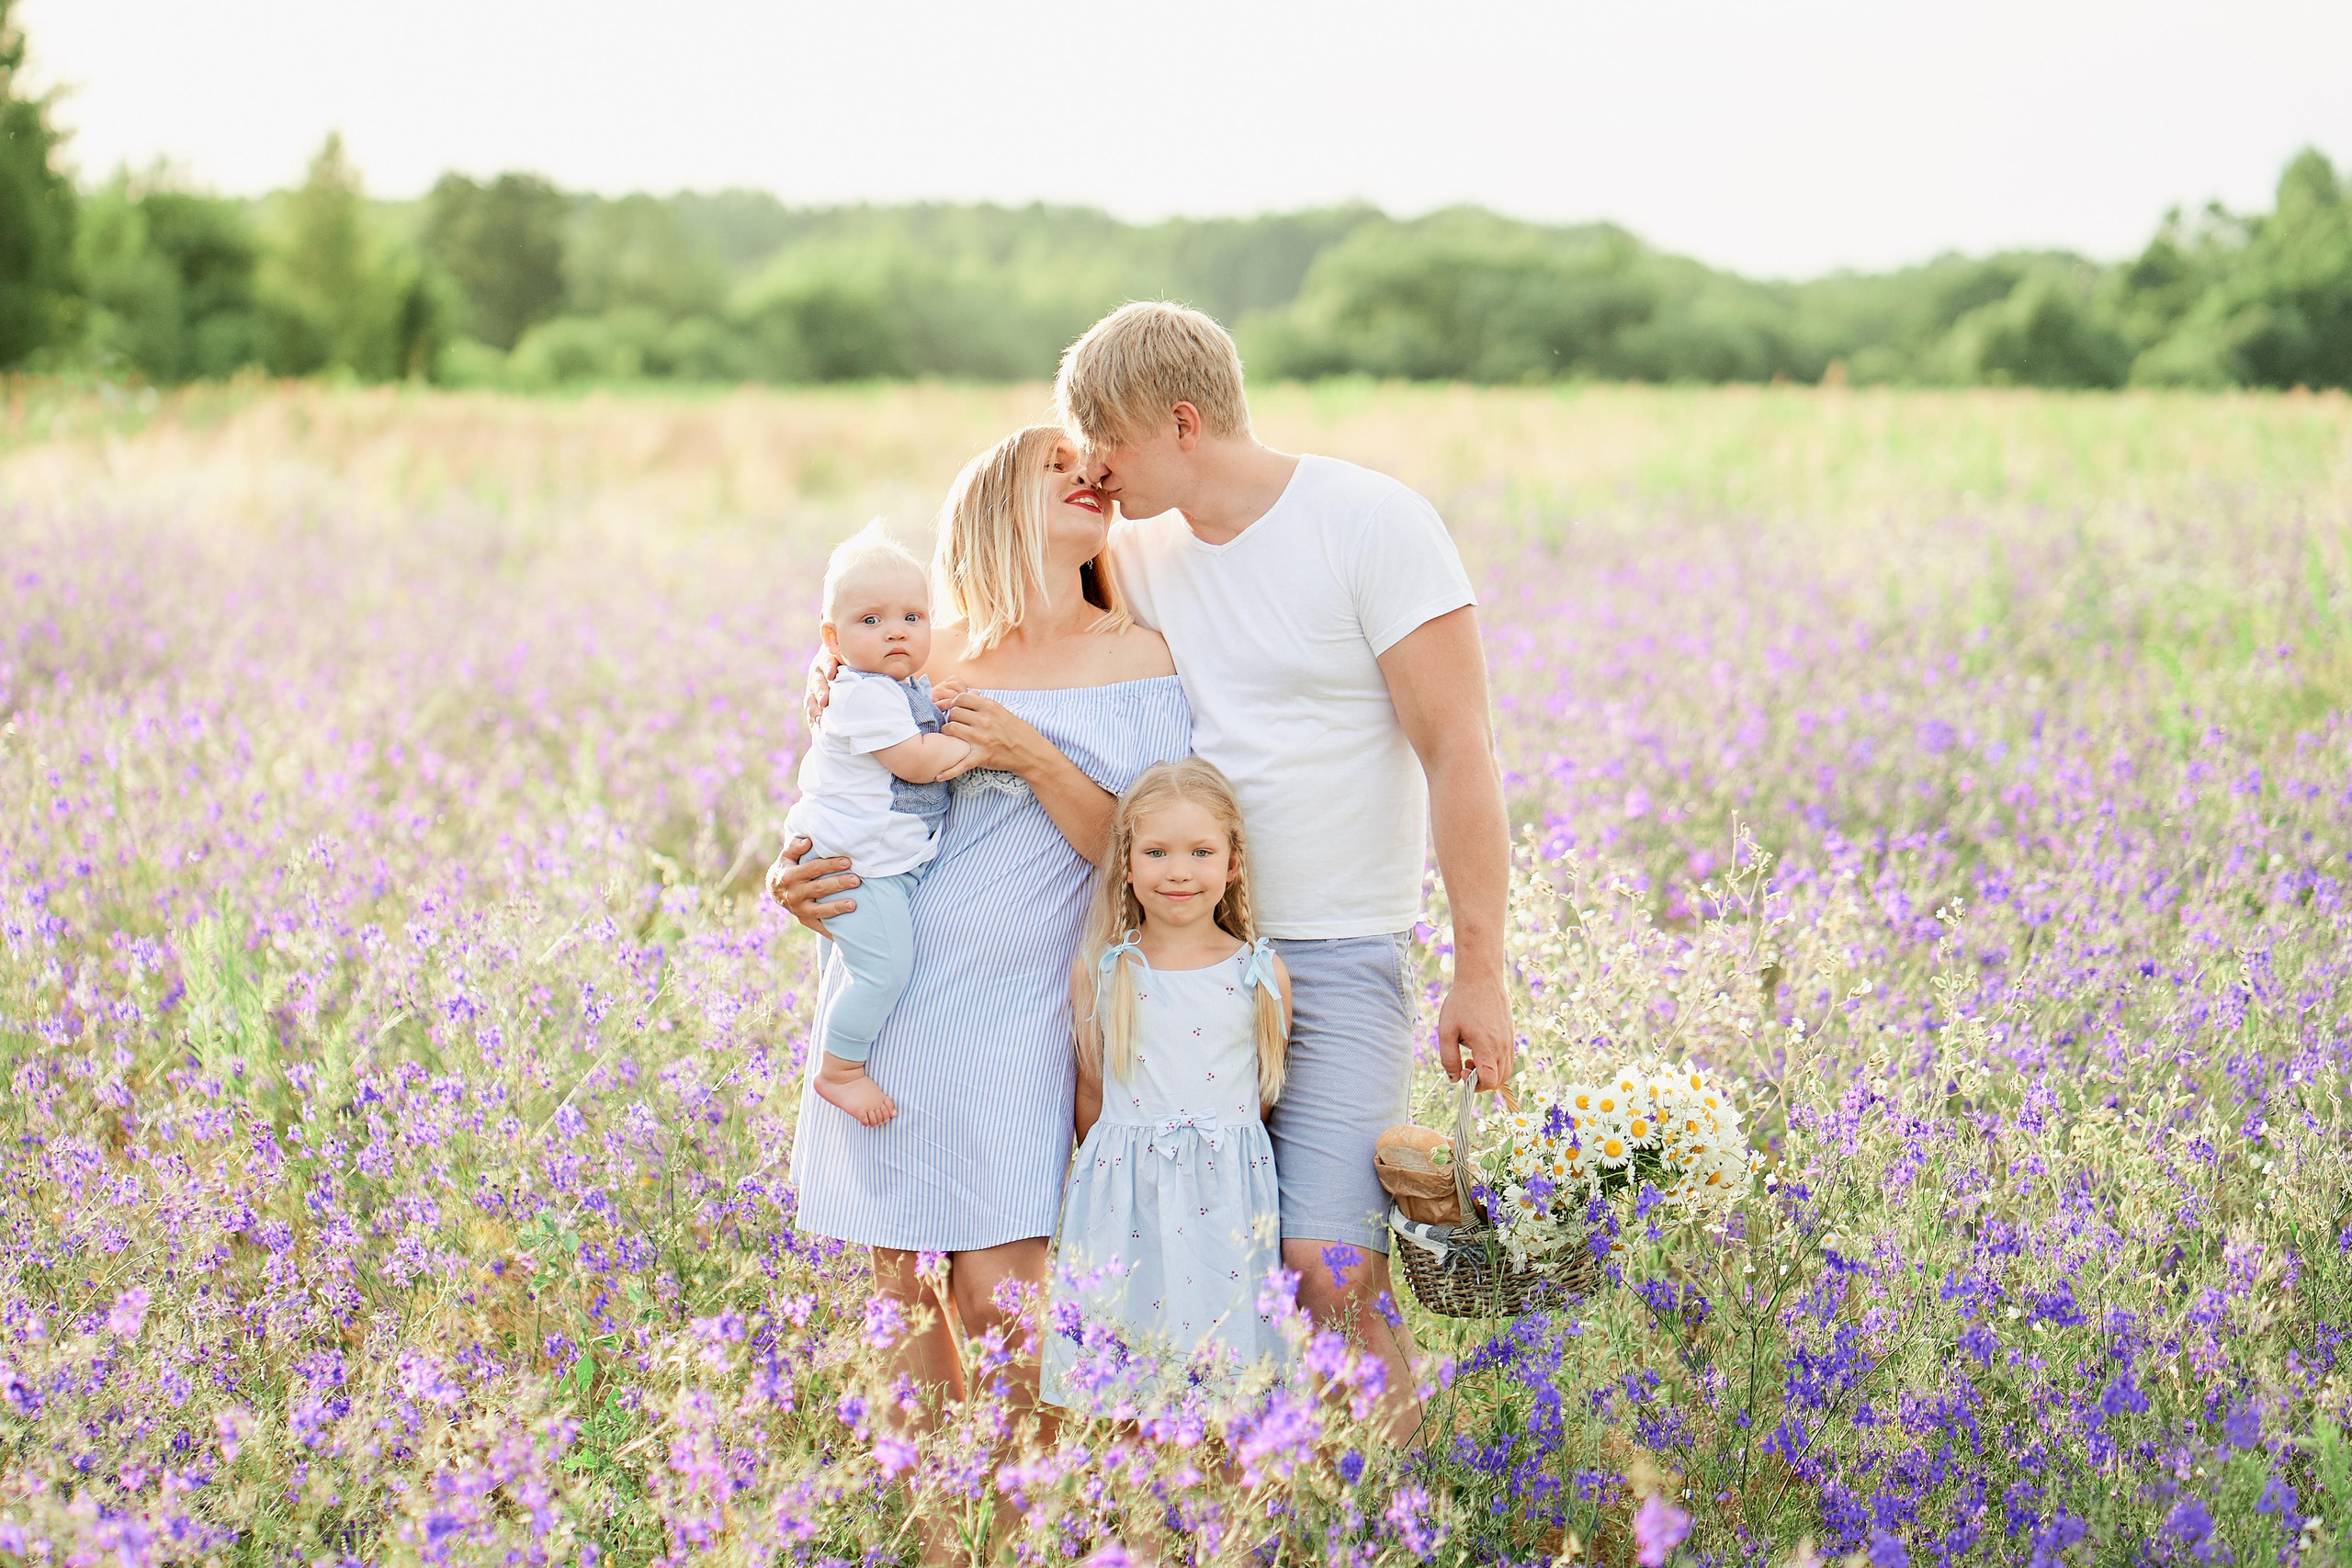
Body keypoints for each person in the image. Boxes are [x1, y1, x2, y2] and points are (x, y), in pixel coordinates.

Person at [1062, 301, 1513, 1440]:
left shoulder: (1372, 522)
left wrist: (1479, 972)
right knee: (1191, 1279)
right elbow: (996, 624)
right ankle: (1235, 1504)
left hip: (1340, 951)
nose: (1092, 467)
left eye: (1106, 438)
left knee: (1330, 1269)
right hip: (1176, 959)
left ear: (1181, 422)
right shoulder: (1130, 550)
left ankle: (1396, 1511)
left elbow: (1459, 749)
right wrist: (851, 681)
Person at [775, 425, 1187, 1465]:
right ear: (994, 500)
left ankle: (1025, 1519)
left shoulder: (1141, 655)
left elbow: (1140, 852)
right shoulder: (921, 652)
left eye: (1092, 469)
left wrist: (1031, 754)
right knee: (905, 1292)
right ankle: (937, 1529)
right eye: (1056, 466)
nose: (1087, 475)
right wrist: (796, 871)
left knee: (1003, 1297)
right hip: (897, 992)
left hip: (1025, 1002)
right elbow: (843, 792)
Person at [1044, 759, 1290, 1412]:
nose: (1179, 871)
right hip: (1126, 1197)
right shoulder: (1106, 968)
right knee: (1127, 1365)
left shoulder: (1258, 972)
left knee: (1230, 1368)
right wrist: (1112, 1179)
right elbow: (1091, 1092)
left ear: (1233, 863)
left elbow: (1261, 1095)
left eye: (1201, 852)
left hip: (1226, 1194)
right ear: (1126, 864)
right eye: (1156, 852)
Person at [782, 522, 973, 1127]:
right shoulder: (860, 693)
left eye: (913, 617)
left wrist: (934, 706)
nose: (896, 630)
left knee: (849, 968)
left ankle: (839, 1042)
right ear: (832, 639)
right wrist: (982, 745)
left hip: (873, 859)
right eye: (872, 620)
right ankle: (840, 1069)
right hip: (855, 866)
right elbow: (915, 761)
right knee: (882, 971)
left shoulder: (897, 686)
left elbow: (911, 723)